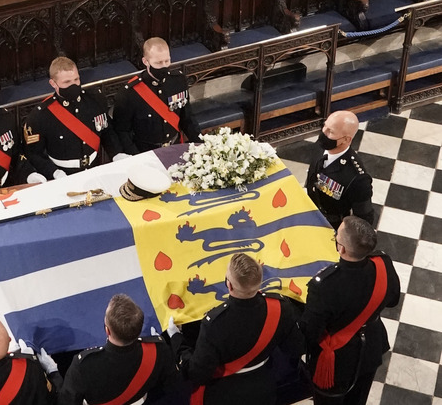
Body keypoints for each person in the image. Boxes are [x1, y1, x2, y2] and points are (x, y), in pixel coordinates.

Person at [170, 253, 304, 405]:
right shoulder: (280, 307)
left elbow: (197, 373)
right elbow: (295, 347)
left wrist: (176, 339)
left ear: (229, 284)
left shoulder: (214, 323)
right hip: (264, 387)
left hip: (225, 394)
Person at [300, 216, 400, 405]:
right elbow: (393, 300)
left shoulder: (324, 286)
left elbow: (311, 333)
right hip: (371, 346)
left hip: (337, 363)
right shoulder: (383, 263)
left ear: (342, 248)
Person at [56, 294, 180, 404]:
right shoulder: (158, 350)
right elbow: (172, 385)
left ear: (107, 330)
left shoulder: (83, 366)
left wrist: (53, 374)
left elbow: (66, 401)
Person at [23, 57, 120, 180]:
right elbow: (34, 154)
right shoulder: (40, 116)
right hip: (63, 175)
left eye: (76, 79)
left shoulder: (95, 99)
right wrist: (53, 172)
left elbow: (107, 131)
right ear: (53, 84)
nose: (73, 85)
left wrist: (116, 153)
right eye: (67, 82)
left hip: (95, 168)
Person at [112, 37, 198, 156]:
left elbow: (187, 118)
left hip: (175, 147)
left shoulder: (178, 81)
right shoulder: (129, 93)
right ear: (145, 61)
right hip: (146, 153)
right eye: (158, 63)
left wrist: (201, 144)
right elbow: (122, 131)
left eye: (167, 61)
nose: (164, 66)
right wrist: (136, 158)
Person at [306, 110, 374, 228]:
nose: (324, 133)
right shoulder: (321, 145)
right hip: (309, 210)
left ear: (346, 139)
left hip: (331, 225)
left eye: (331, 131)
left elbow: (364, 221)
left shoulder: (357, 178)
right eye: (325, 126)